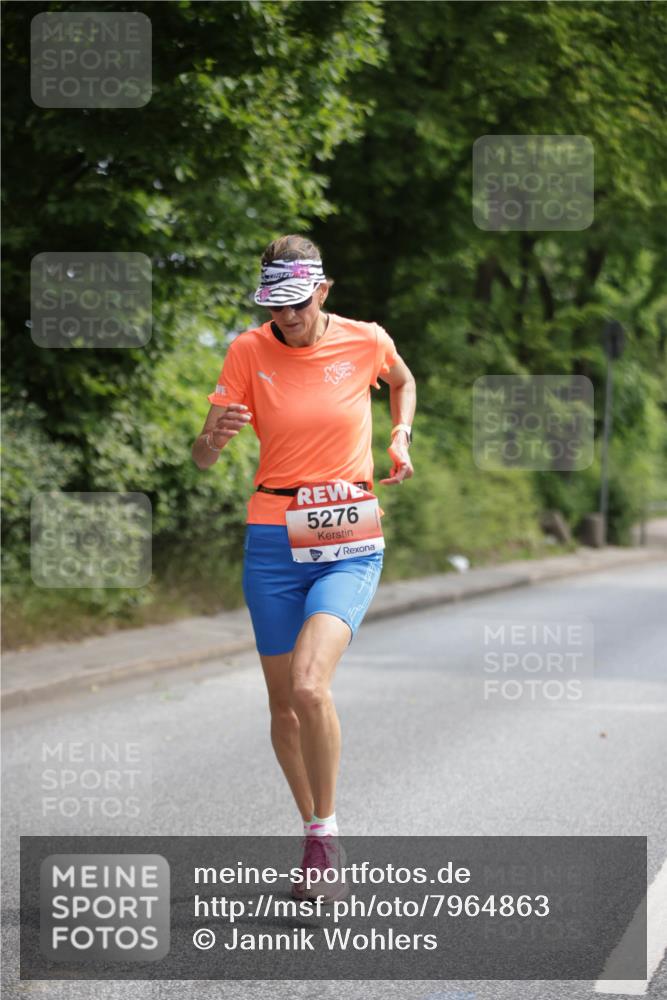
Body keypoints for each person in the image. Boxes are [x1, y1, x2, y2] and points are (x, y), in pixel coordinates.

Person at [192, 234, 416, 901]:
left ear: (322, 290)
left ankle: (325, 836)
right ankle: (317, 831)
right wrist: (211, 440)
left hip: (348, 536)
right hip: (271, 539)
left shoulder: (364, 339)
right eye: (276, 305)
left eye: (298, 303)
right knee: (284, 705)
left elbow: (402, 380)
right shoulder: (246, 350)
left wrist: (400, 434)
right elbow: (202, 455)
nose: (287, 317)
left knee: (310, 686)